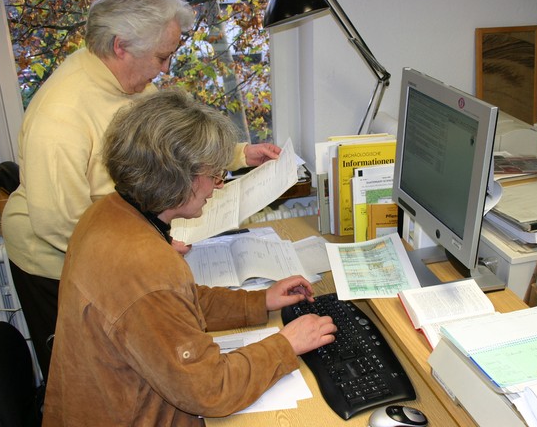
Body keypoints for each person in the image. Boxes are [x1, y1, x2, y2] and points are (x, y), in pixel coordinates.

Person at [1, 0, 280, 380]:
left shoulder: (126, 81)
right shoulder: (60, 116)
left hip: (120, 237)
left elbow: (167, 147)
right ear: (121, 46)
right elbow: (59, 223)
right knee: (91, 376)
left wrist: (239, 154)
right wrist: (146, 249)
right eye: (161, 58)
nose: (164, 70)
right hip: (55, 260)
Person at [42, 89, 336, 426]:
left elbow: (176, 305)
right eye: (213, 175)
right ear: (176, 178)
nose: (218, 187)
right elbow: (210, 390)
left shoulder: (107, 214)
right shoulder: (145, 265)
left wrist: (261, 301)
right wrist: (285, 344)